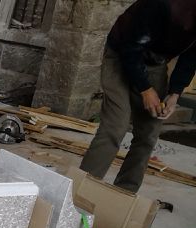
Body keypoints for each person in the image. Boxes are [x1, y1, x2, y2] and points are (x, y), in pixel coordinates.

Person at [80, 0, 196, 193]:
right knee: (115, 126)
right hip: (121, 54)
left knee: (149, 132)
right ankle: (80, 191)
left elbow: (191, 58)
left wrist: (175, 93)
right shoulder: (161, 5)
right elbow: (130, 47)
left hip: (155, 62)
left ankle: (125, 192)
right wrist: (145, 89)